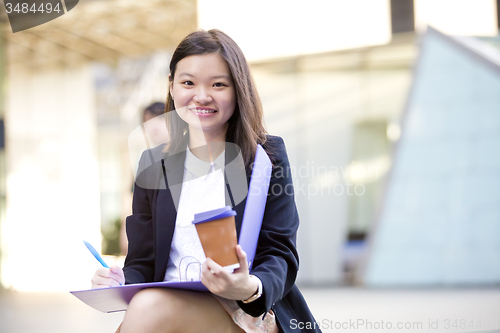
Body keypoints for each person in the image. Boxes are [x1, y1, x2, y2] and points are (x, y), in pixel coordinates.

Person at [91, 29, 321, 333]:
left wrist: (249, 286)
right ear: (172, 87)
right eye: (188, 83)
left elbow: (279, 252)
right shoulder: (153, 163)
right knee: (146, 306)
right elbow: (141, 263)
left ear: (238, 90)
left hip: (245, 310)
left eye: (218, 84)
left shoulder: (266, 156)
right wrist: (119, 281)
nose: (202, 96)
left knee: (147, 307)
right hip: (166, 305)